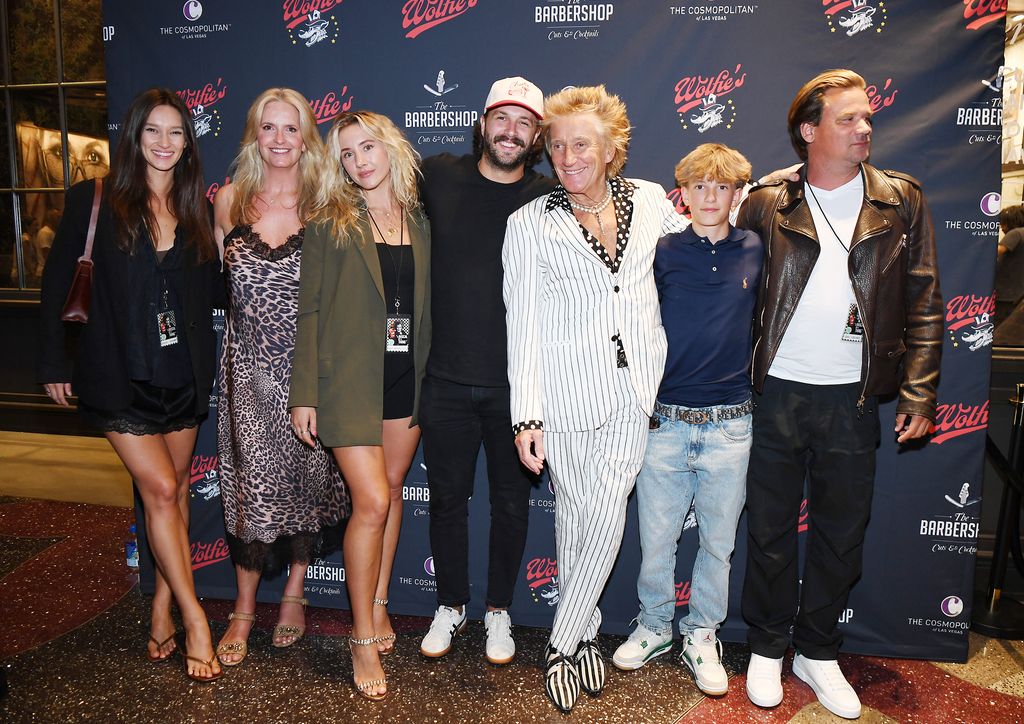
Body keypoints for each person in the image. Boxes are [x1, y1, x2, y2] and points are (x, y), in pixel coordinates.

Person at [737, 69, 942, 719]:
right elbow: (734, 300)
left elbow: (926, 302)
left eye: (868, 119)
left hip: (853, 398)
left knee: (841, 533)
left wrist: (918, 394)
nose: (864, 129)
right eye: (849, 119)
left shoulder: (899, 198)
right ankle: (768, 646)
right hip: (774, 393)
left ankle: (817, 650)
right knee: (769, 532)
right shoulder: (767, 200)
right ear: (809, 130)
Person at [503, 85, 691, 713]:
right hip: (565, 394)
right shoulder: (528, 224)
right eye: (556, 146)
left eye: (581, 143)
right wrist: (526, 414)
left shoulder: (653, 201)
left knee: (607, 506)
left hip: (636, 387)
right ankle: (583, 639)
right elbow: (522, 324)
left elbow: (704, 234)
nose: (568, 156)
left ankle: (560, 640)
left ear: (612, 147)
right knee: (577, 516)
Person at [37, 88, 225, 682]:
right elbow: (55, 286)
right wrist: (53, 362)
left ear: (187, 143)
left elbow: (212, 296)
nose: (165, 144)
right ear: (135, 137)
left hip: (183, 376)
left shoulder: (198, 207)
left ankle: (163, 603)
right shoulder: (94, 201)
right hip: (120, 377)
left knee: (171, 495)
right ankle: (196, 619)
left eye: (176, 133)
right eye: (154, 132)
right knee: (162, 493)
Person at [289, 111, 430, 701]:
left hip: (405, 379)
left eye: (367, 147)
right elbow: (310, 309)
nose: (359, 161)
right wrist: (305, 394)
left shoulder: (421, 220)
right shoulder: (330, 223)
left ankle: (378, 599)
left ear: (390, 147)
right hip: (348, 382)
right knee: (370, 501)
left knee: (393, 490)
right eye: (347, 154)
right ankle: (361, 634)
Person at [612, 143, 761, 698]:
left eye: (721, 187)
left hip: (731, 423)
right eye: (699, 186)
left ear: (737, 194)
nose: (709, 197)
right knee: (657, 540)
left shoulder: (756, 248)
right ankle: (654, 625)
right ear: (684, 192)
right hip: (665, 422)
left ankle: (702, 633)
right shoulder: (662, 250)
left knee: (719, 544)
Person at [418, 76, 554, 665]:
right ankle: (451, 604)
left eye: (524, 123)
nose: (510, 132)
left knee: (511, 503)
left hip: (517, 388)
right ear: (482, 122)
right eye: (502, 118)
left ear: (537, 136)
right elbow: (364, 171)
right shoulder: (438, 175)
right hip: (443, 378)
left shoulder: (552, 197)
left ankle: (498, 609)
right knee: (446, 499)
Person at [213, 88, 349, 667]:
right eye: (267, 128)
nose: (279, 140)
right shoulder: (229, 202)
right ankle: (243, 606)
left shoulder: (326, 203)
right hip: (245, 372)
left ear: (306, 136)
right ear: (254, 134)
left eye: (290, 129)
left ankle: (294, 593)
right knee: (251, 493)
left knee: (306, 487)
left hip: (307, 377)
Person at [996, 203, 1024, 326]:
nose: (1001, 227)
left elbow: (998, 250)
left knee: (998, 328)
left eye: (1003, 223)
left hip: (1005, 294)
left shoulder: (1016, 233)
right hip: (1017, 294)